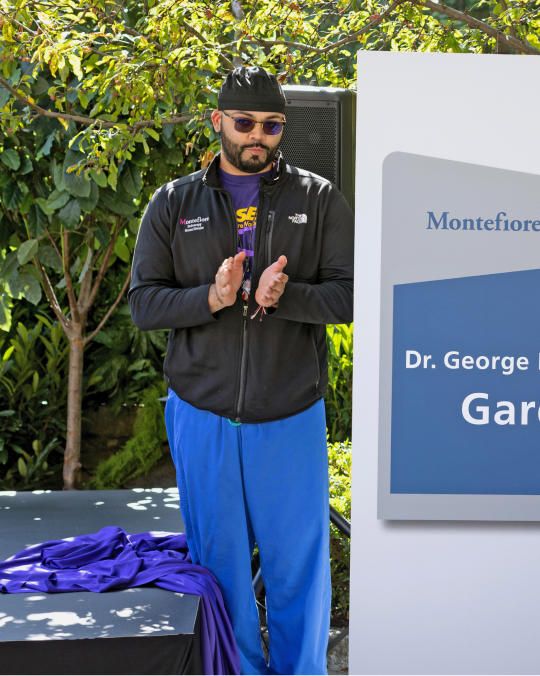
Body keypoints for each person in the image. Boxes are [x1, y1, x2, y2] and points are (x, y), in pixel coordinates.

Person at [129, 66, 354, 675]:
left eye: (272, 124)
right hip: (202, 414)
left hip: (290, 413)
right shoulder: (175, 202)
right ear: (218, 122)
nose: (259, 135)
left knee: (298, 569)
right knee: (220, 569)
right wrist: (211, 298)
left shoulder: (319, 197)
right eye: (246, 122)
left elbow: (349, 296)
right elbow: (143, 303)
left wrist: (289, 297)